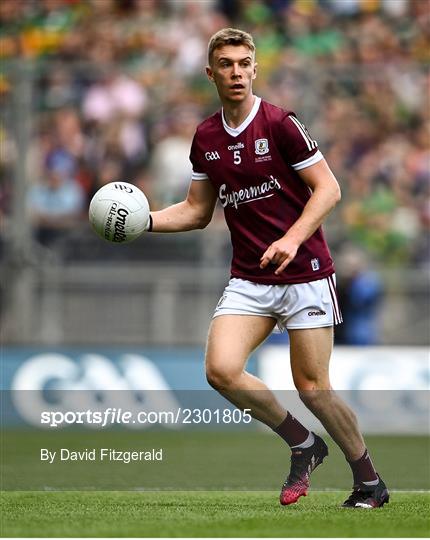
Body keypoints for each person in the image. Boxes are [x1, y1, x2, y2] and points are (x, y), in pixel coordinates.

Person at [145, 28, 389, 509]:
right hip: (251, 278)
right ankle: (304, 444)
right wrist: (143, 222)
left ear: (255, 69)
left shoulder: (280, 124)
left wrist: (292, 239)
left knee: (314, 387)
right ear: (210, 73)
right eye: (227, 64)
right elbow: (197, 212)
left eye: (244, 63)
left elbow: (330, 189)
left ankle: (369, 483)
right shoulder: (207, 136)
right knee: (221, 370)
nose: (236, 72)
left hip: (306, 273)